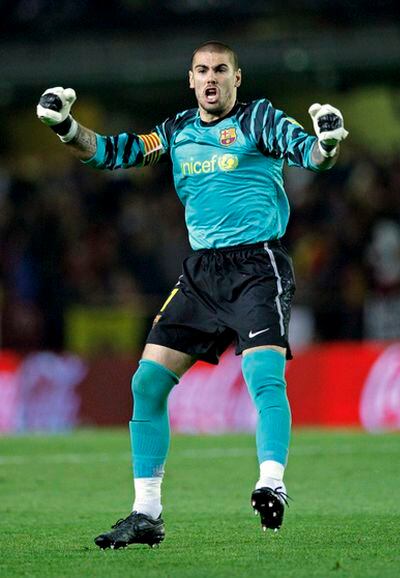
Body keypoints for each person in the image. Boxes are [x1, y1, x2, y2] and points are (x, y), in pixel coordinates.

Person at [36, 41, 348, 549]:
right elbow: (115, 153)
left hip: (257, 266)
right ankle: (146, 514)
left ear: (236, 79)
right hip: (201, 273)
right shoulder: (176, 130)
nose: (211, 78)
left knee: (263, 376)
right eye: (202, 70)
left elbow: (308, 153)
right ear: (190, 79)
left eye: (221, 70)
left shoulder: (259, 120)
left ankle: (271, 483)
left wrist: (328, 143)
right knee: (147, 384)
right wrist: (64, 127)